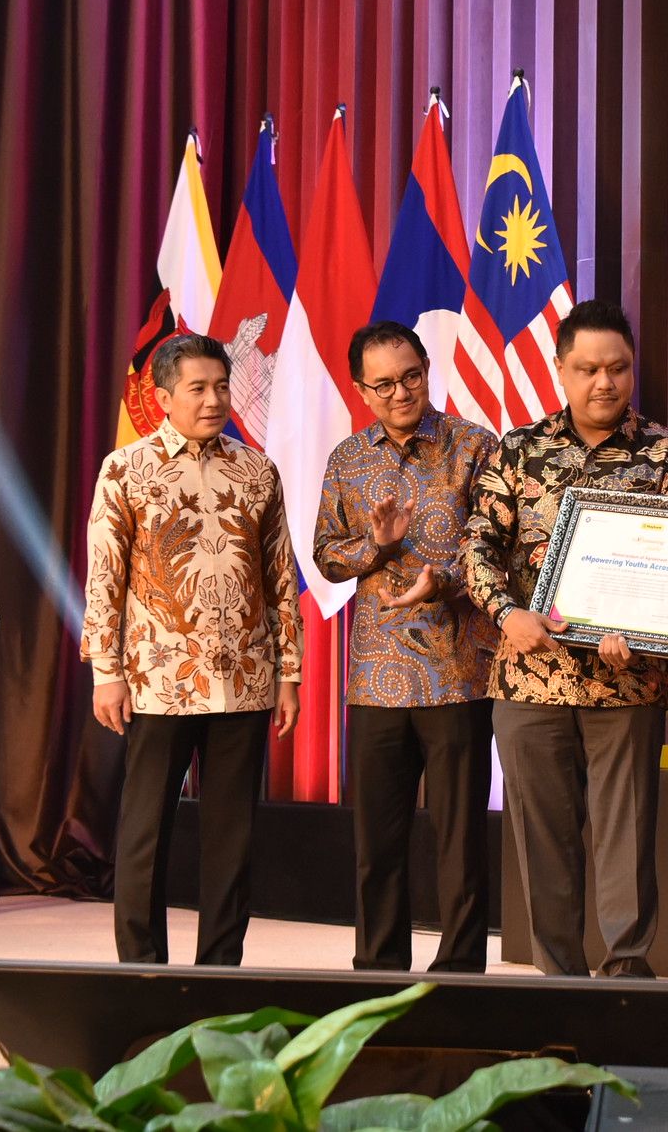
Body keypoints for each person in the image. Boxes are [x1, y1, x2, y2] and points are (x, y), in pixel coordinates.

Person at [463, 299, 668, 977]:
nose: (605, 382)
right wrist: (507, 612)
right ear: (560, 369)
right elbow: (476, 544)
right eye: (589, 369)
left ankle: (626, 969)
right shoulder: (516, 448)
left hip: (627, 676)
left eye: (618, 368)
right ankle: (558, 978)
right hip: (529, 677)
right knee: (542, 842)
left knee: (626, 839)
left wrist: (647, 624)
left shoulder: (665, 453)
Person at [83, 332, 304, 966]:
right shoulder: (125, 468)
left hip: (246, 677)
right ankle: (141, 968)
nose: (213, 400)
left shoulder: (257, 470)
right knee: (147, 829)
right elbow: (105, 575)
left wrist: (289, 673)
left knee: (232, 837)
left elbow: (279, 577)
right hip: (157, 679)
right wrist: (107, 671)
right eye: (198, 389)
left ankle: (220, 970)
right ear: (163, 397)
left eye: (222, 387)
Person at [315, 321, 500, 972]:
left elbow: (494, 551)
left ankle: (459, 974)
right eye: (385, 383)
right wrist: (378, 545)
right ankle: (378, 969)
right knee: (378, 844)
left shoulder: (474, 446)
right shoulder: (347, 459)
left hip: (456, 672)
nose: (401, 392)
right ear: (362, 389)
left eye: (412, 376)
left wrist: (441, 578)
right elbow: (327, 558)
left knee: (460, 840)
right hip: (375, 676)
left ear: (427, 368)